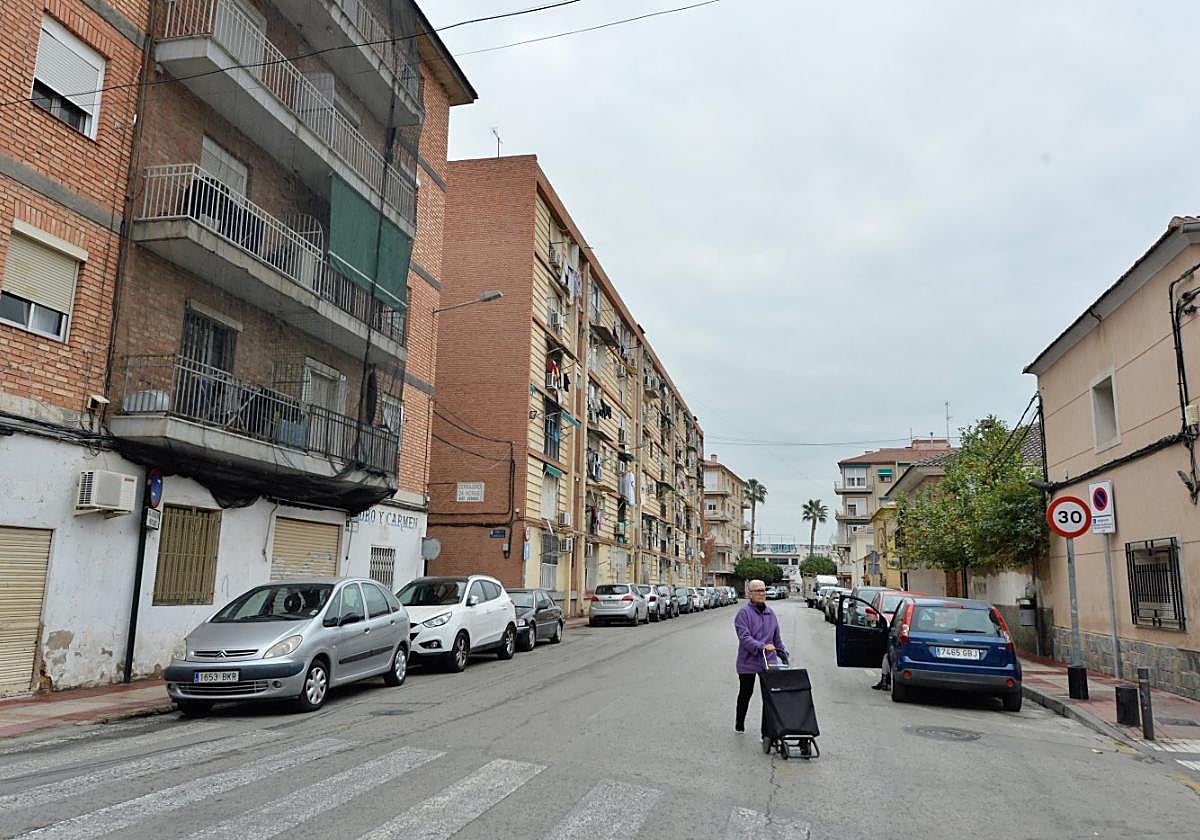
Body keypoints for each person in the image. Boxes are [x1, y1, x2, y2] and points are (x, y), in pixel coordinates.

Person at [733, 579, 789, 736]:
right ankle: (739, 723)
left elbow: (776, 638)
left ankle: (766, 732)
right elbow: (744, 637)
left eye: (763, 590)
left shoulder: (770, 614)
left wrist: (782, 653)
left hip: (768, 662)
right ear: (750, 593)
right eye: (757, 591)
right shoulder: (744, 614)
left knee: (769, 697)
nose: (761, 594)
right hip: (748, 661)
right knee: (746, 692)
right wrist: (761, 646)